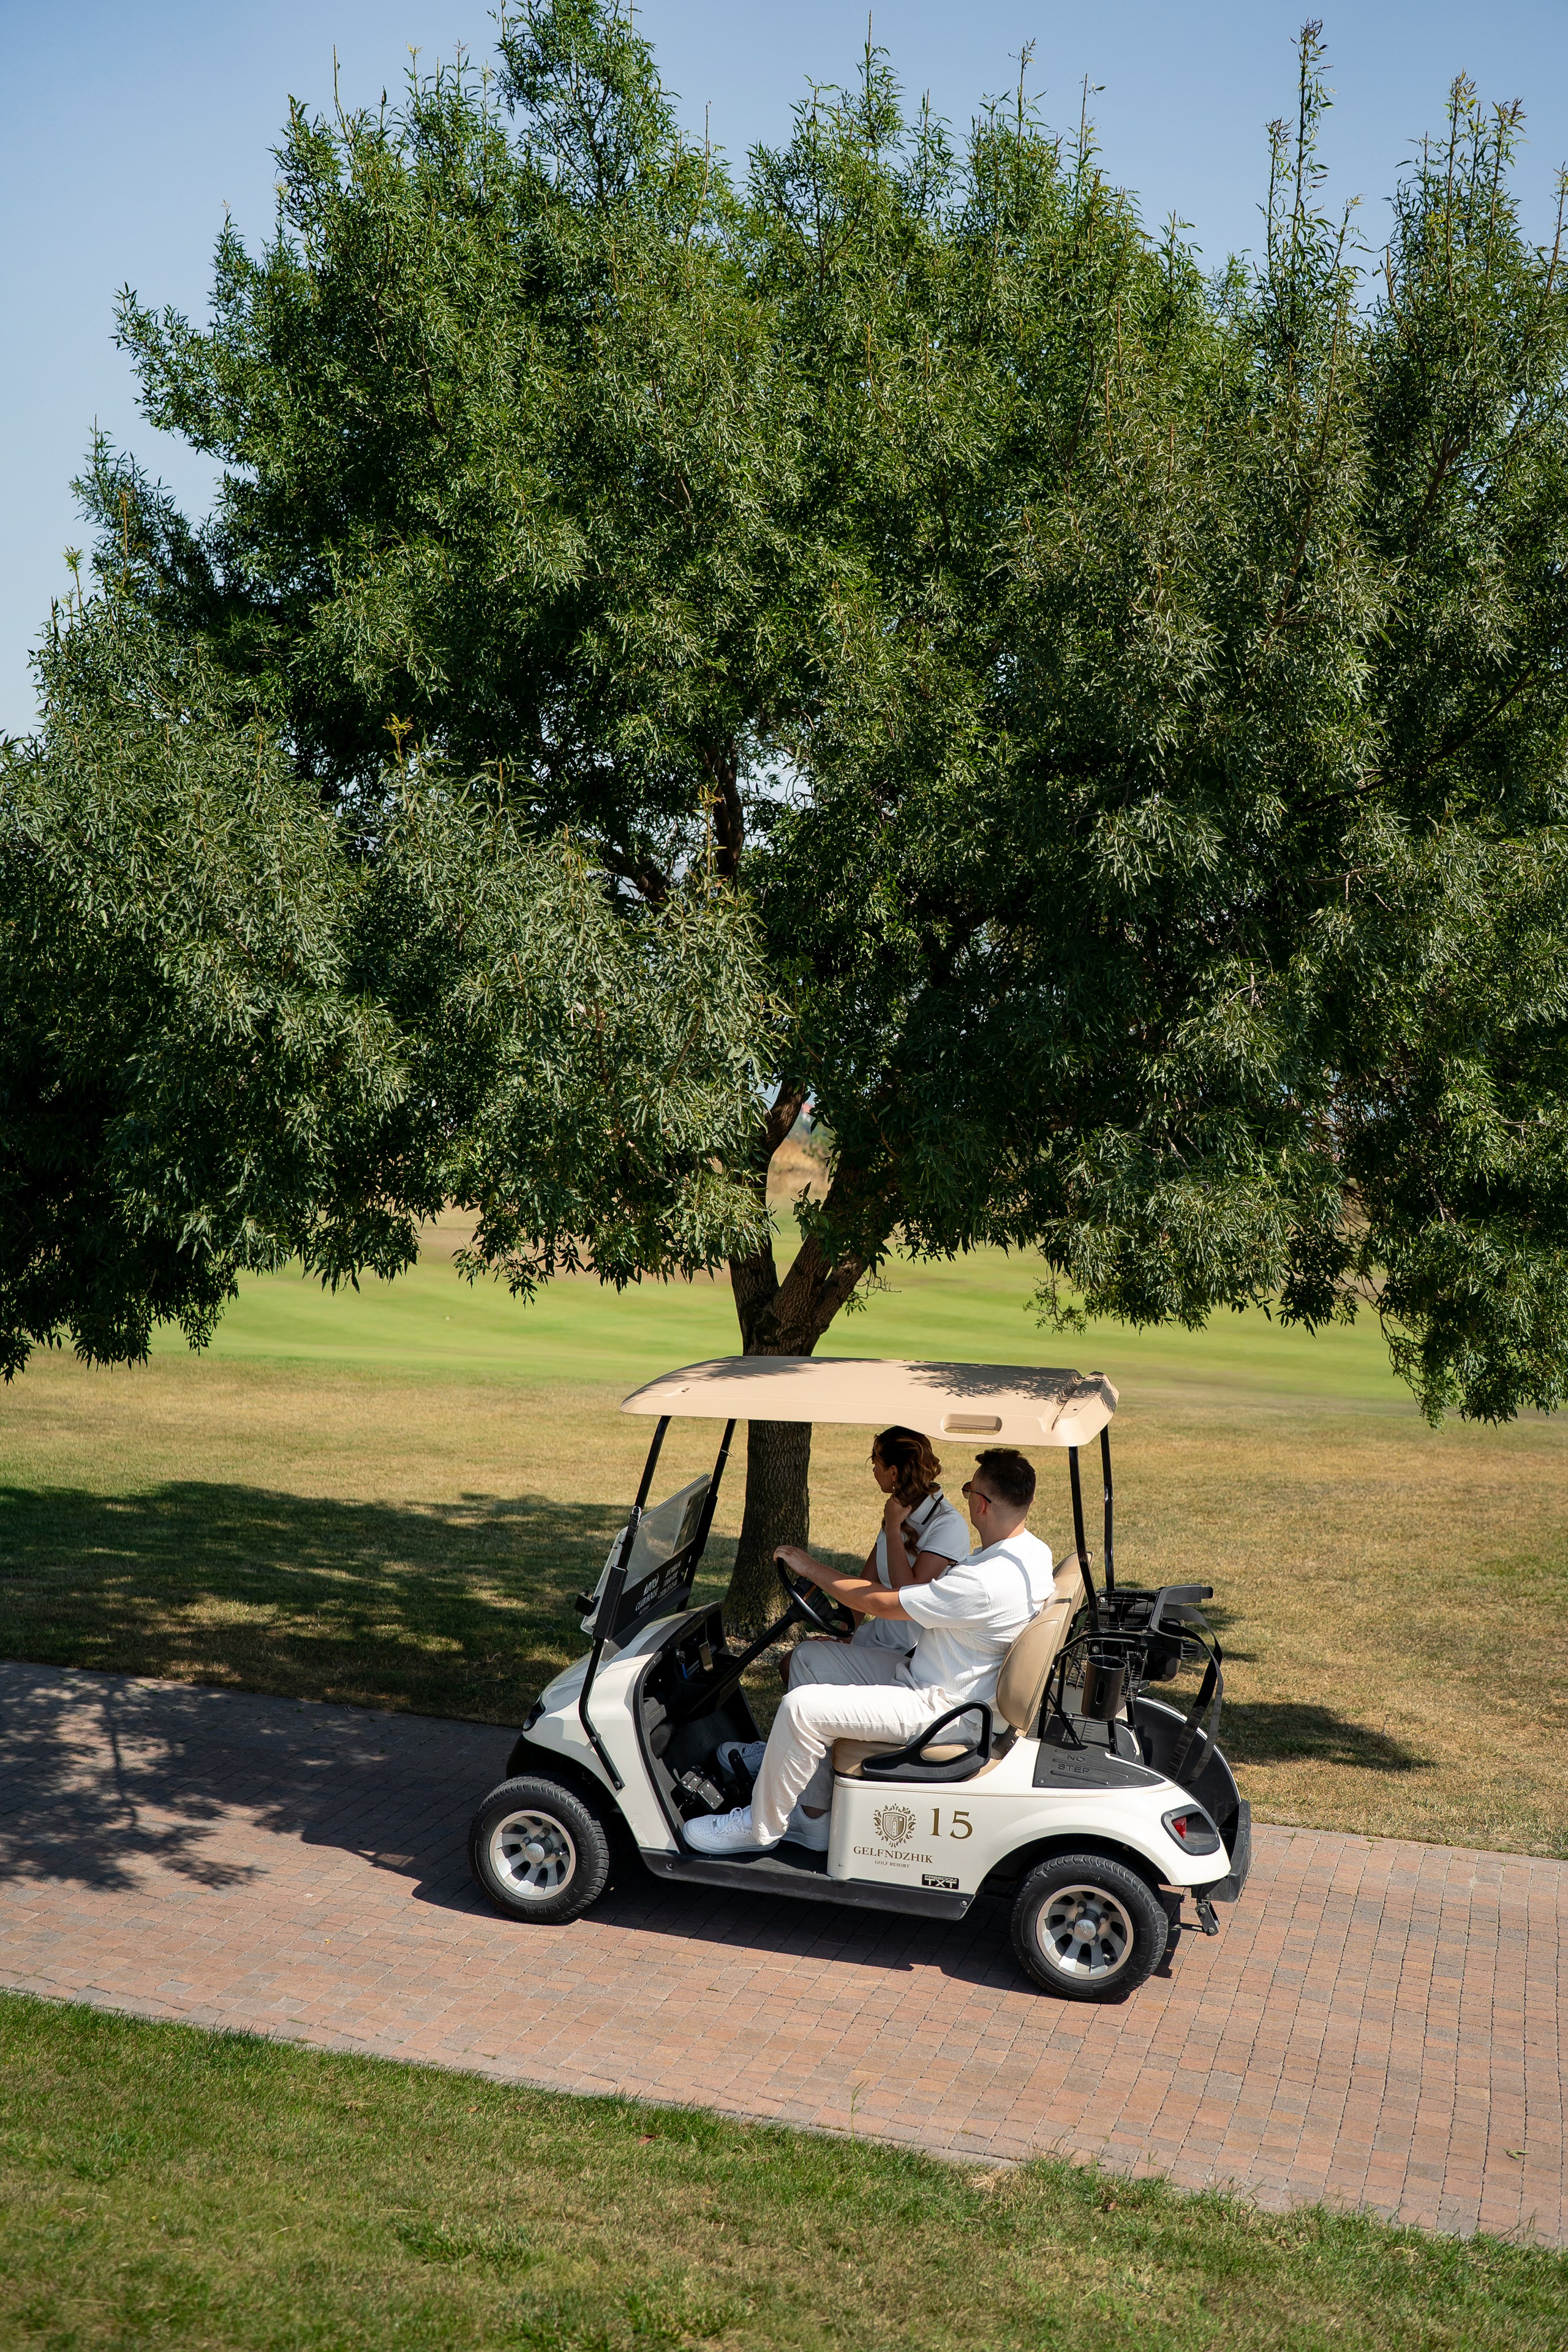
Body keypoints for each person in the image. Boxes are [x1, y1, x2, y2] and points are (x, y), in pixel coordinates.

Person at [687, 1448, 1054, 1855]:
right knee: (809, 1660)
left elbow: (883, 1603)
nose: (966, 1495)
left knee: (800, 1708)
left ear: (980, 1504)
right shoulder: (1033, 1553)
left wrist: (809, 1569)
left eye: (969, 1489)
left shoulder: (986, 1582)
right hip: (935, 1680)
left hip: (945, 1711)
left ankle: (759, 1826)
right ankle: (813, 1816)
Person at [849, 1427, 971, 1659]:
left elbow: (906, 1593)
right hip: (880, 1637)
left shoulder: (948, 1524)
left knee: (798, 1663)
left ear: (893, 1472)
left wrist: (893, 1529)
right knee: (792, 1661)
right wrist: (844, 1634)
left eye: (876, 1463)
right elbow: (866, 1582)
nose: (874, 1470)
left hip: (912, 1654)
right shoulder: (897, 1509)